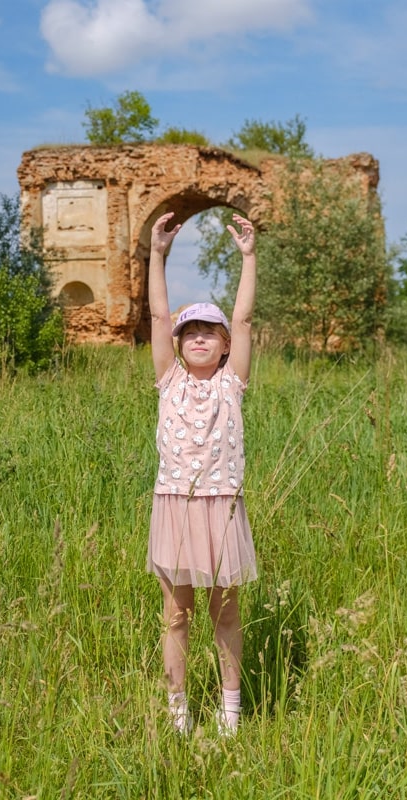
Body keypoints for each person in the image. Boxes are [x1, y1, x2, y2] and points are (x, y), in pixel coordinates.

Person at [146, 210, 258, 736]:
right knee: (176, 615)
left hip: (222, 508)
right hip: (175, 507)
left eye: (208, 332)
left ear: (224, 344)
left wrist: (249, 258)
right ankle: (178, 713)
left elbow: (245, 321)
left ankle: (230, 711)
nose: (197, 338)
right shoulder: (168, 380)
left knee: (227, 615)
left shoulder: (231, 383)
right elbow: (156, 317)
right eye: (189, 332)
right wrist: (157, 255)